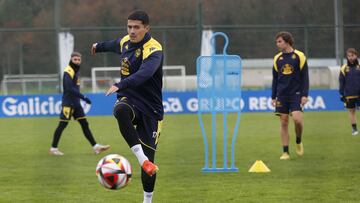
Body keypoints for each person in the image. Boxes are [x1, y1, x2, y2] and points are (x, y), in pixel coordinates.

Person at [91, 11, 163, 203]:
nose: (132, 31)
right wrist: (98, 47)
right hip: (130, 99)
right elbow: (114, 44)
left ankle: (147, 200)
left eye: (137, 27)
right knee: (120, 110)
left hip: (151, 109)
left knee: (150, 167)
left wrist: (119, 84)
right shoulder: (125, 41)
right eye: (129, 27)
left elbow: (145, 73)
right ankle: (142, 161)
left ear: (147, 28)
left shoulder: (154, 49)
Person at [50, 52, 110, 156]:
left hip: (76, 104)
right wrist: (84, 97)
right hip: (68, 104)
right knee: (62, 125)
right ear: (71, 60)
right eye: (75, 60)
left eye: (78, 60)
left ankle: (96, 147)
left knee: (84, 124)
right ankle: (53, 149)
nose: (77, 62)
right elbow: (69, 88)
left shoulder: (75, 71)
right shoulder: (68, 71)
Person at [271, 31, 309, 160]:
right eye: (277, 42)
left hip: (296, 94)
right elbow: (275, 79)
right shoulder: (277, 58)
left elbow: (305, 77)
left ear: (287, 42)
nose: (277, 44)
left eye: (279, 41)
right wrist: (273, 97)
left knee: (298, 120)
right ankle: (285, 152)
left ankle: (298, 141)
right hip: (282, 95)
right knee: (284, 122)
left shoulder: (299, 56)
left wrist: (304, 94)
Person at [339, 48, 360, 136]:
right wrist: (341, 94)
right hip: (349, 95)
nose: (350, 58)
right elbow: (341, 82)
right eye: (348, 56)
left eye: (352, 55)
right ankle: (354, 129)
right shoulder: (344, 68)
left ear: (356, 56)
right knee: (352, 112)